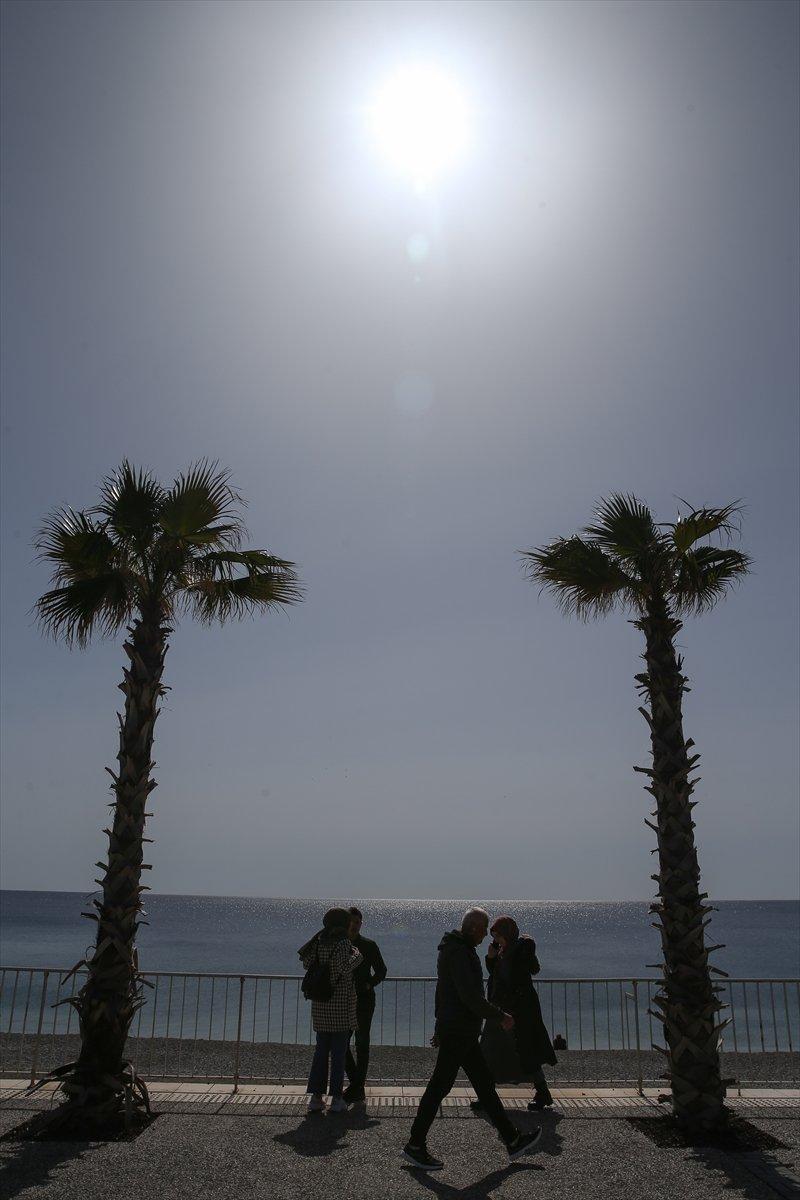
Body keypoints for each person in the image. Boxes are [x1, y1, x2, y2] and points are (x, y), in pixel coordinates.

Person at [403, 907, 542, 1171]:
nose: (484, 939)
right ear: (475, 928)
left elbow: (444, 992)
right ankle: (415, 1144)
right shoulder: (458, 952)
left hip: (461, 1030)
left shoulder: (457, 949)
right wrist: (500, 1015)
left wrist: (439, 1024)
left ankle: (512, 1139)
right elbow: (468, 995)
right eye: (484, 930)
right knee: (440, 1086)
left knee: (483, 1085)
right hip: (458, 1031)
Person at [472, 915, 557, 1113]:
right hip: (503, 1010)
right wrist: (492, 958)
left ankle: (541, 1092)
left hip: (516, 1011)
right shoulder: (507, 951)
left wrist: (497, 958)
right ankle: (488, 1095)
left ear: (506, 935)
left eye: (498, 936)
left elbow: (511, 979)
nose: (496, 940)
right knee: (493, 1051)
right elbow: (498, 976)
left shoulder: (518, 952)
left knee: (522, 1051)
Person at [298, 907, 362, 1113]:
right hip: (340, 1005)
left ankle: (316, 1097)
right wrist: (357, 956)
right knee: (338, 1055)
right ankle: (336, 1098)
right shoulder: (344, 943)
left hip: (321, 1005)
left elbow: (306, 962)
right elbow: (344, 968)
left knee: (320, 1052)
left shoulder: (319, 941)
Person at [343, 905, 387, 1104]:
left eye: (358, 922)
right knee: (341, 1042)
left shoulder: (369, 945)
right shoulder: (339, 945)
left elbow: (381, 970)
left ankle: (357, 1087)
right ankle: (356, 1084)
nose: (354, 926)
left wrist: (369, 984)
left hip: (364, 1000)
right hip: (342, 1001)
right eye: (351, 922)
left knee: (362, 1043)